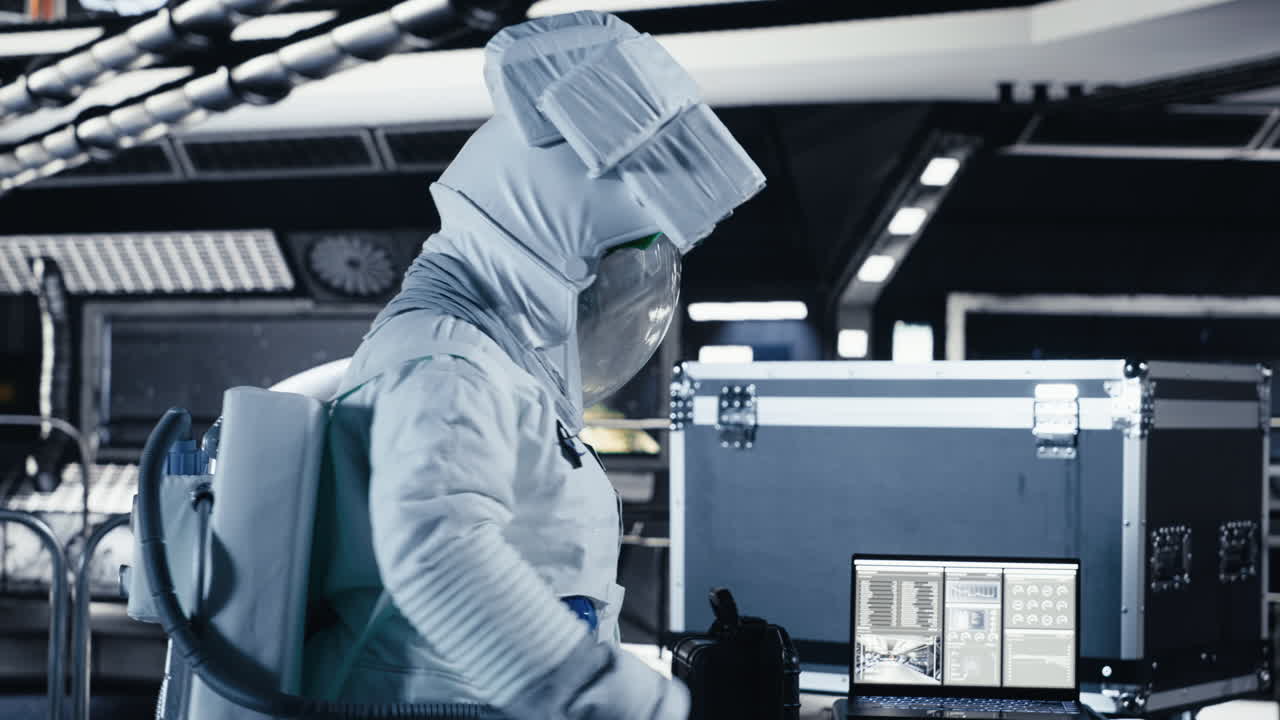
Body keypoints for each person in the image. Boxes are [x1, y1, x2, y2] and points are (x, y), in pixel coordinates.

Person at [302, 10, 764, 720]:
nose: (609, 292)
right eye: (611, 258)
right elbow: (437, 556)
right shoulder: (445, 361)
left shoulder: (485, 359)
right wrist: (626, 706)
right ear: (544, 233)